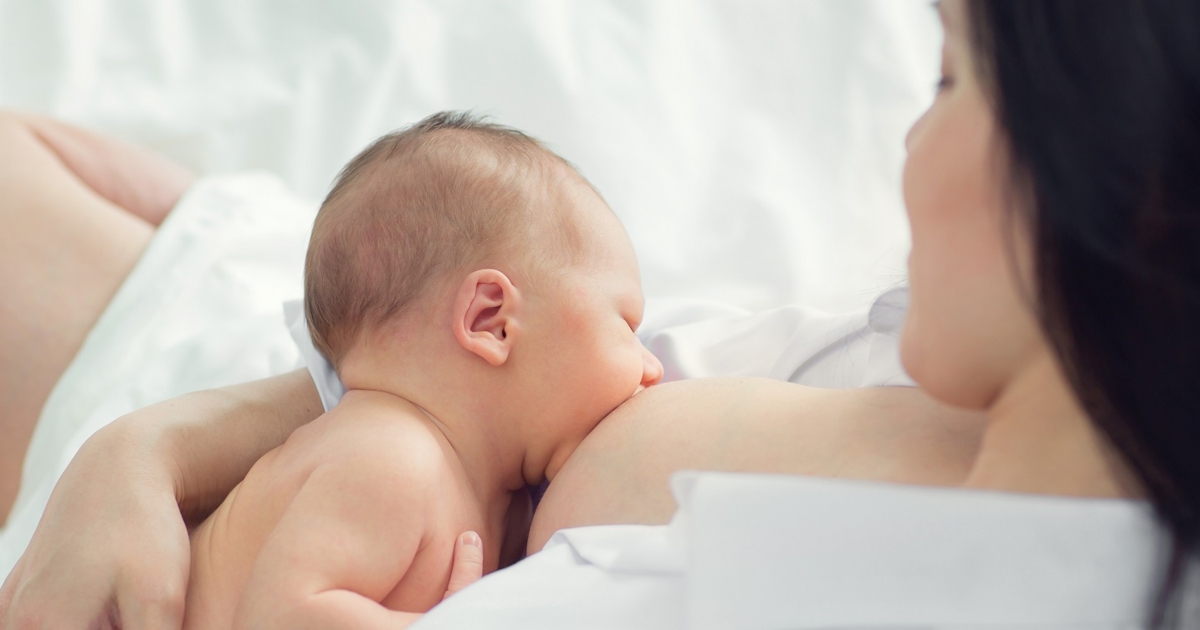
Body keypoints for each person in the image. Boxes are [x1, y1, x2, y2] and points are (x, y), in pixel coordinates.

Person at [3, 0, 1198, 626]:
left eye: (947, 77)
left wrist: (133, 442)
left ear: (1125, 175)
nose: (911, 141)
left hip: (142, 460)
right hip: (256, 368)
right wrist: (148, 452)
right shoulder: (938, 372)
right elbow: (462, 345)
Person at [181, 112, 662, 629]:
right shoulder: (391, 459)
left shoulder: (499, 500)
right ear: (490, 320)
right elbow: (279, 617)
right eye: (625, 325)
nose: (652, 367)